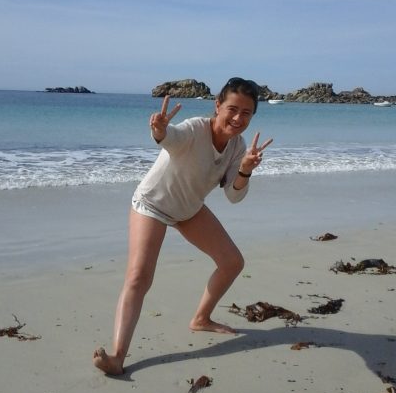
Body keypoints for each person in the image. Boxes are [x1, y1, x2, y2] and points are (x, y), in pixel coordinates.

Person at [93, 77, 273, 375]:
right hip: (152, 204)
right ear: (218, 106)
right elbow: (170, 138)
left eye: (246, 113)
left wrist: (244, 170)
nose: (238, 118)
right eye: (232, 109)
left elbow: (233, 196)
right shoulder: (195, 128)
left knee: (232, 262)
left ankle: (201, 319)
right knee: (139, 277)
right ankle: (117, 357)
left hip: (188, 209)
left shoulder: (237, 147)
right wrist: (160, 129)